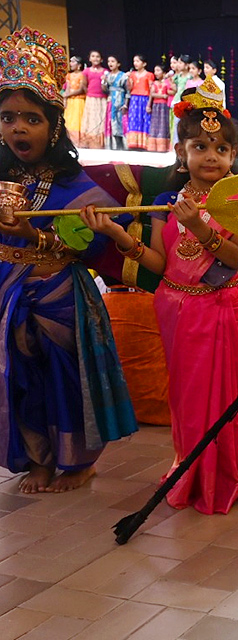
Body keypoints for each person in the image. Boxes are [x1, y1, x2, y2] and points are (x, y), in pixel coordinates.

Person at [82, 76, 238, 513]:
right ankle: (191, 463)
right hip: (175, 308)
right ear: (182, 154)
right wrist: (114, 233)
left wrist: (202, 226)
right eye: (200, 146)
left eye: (221, 148)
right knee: (185, 398)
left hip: (221, 308)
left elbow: (233, 264)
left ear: (233, 156)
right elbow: (161, 264)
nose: (211, 156)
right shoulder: (170, 200)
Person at [0, 27, 137, 492]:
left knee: (64, 379)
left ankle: (78, 463)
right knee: (20, 378)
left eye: (31, 119)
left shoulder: (77, 185)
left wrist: (35, 234)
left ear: (55, 124)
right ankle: (38, 461)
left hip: (60, 295)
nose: (18, 128)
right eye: (8, 117)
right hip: (6, 293)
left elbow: (92, 247)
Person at [124, 55, 154, 151]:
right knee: (134, 119)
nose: (135, 63)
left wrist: (149, 104)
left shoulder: (149, 75)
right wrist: (128, 79)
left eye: (138, 61)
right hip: (134, 99)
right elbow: (129, 88)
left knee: (144, 120)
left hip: (144, 99)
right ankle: (133, 143)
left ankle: (144, 143)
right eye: (134, 61)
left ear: (144, 63)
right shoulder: (132, 74)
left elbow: (151, 90)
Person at [79, 50, 106, 150]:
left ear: (101, 59)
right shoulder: (86, 71)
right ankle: (90, 142)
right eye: (93, 56)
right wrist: (89, 94)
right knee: (91, 119)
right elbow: (84, 85)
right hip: (91, 98)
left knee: (100, 119)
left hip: (102, 99)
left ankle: (101, 142)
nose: (95, 58)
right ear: (90, 59)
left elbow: (106, 87)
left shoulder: (105, 72)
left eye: (98, 56)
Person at [147, 64, 174, 152]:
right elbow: (152, 94)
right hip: (156, 106)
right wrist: (148, 105)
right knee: (155, 124)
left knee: (163, 124)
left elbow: (172, 91)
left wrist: (170, 81)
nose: (156, 73)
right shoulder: (154, 83)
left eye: (158, 70)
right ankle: (153, 146)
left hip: (164, 106)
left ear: (164, 72)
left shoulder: (166, 83)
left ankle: (163, 147)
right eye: (155, 71)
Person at [103, 55, 128, 151]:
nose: (110, 63)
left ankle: (123, 145)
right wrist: (103, 81)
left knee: (121, 122)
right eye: (109, 61)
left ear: (118, 64)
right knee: (112, 122)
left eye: (113, 61)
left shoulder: (123, 76)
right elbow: (105, 90)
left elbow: (127, 91)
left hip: (121, 101)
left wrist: (125, 104)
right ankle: (115, 145)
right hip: (111, 101)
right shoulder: (108, 76)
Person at [62, 56, 85, 143]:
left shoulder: (82, 75)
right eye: (70, 62)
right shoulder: (69, 75)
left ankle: (79, 141)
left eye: (73, 62)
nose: (70, 64)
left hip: (78, 101)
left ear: (79, 65)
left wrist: (67, 95)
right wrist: (65, 99)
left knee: (77, 120)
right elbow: (67, 88)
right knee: (69, 120)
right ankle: (69, 140)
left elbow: (81, 89)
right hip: (70, 101)